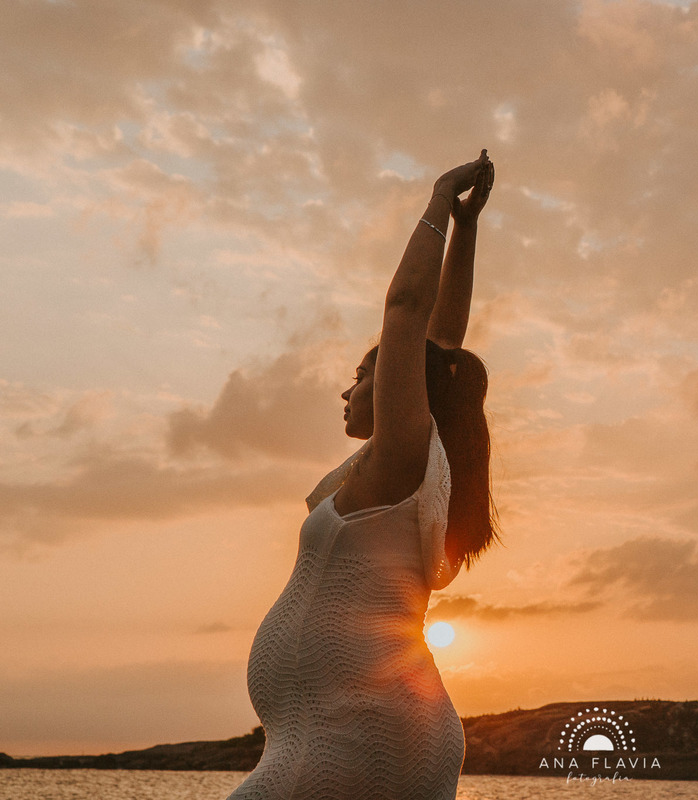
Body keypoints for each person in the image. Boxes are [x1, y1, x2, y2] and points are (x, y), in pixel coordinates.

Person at [227, 150, 501, 800]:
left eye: (362, 372)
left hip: (357, 735)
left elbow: (408, 311)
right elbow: (444, 342)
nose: (349, 387)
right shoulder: (401, 469)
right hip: (356, 730)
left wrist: (438, 197)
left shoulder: (403, 459)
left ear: (401, 389)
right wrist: (467, 230)